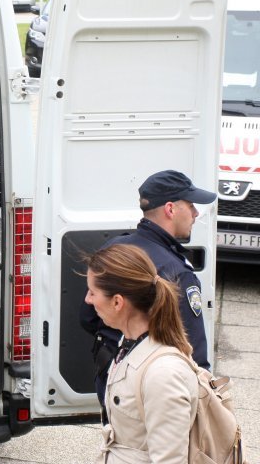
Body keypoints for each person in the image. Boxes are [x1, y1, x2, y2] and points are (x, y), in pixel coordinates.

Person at [81, 169, 215, 405]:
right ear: (171, 209)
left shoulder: (115, 248)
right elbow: (193, 354)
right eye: (191, 205)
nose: (196, 213)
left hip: (111, 378)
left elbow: (88, 318)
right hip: (154, 392)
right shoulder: (178, 272)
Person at [84, 244, 198, 464]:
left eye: (92, 292)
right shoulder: (129, 343)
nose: (88, 300)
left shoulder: (163, 375)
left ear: (117, 302)